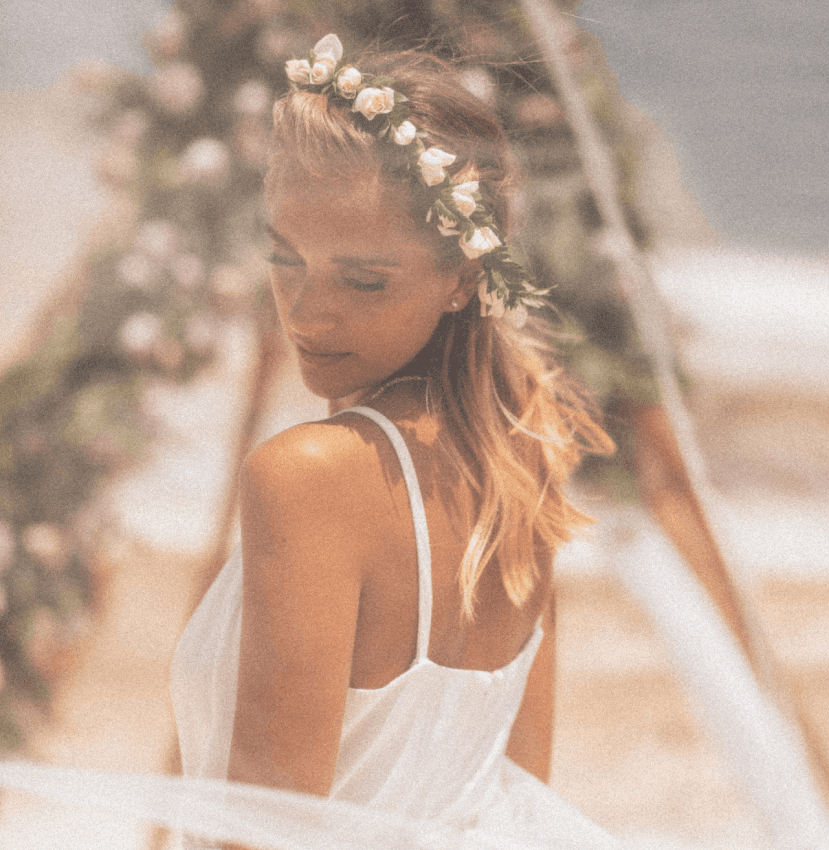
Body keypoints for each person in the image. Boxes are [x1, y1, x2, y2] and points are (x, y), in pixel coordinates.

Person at [169, 33, 622, 850]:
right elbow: (522, 797)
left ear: (463, 277)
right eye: (285, 258)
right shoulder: (524, 456)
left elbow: (264, 831)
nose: (306, 311)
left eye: (363, 279)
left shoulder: (308, 476)